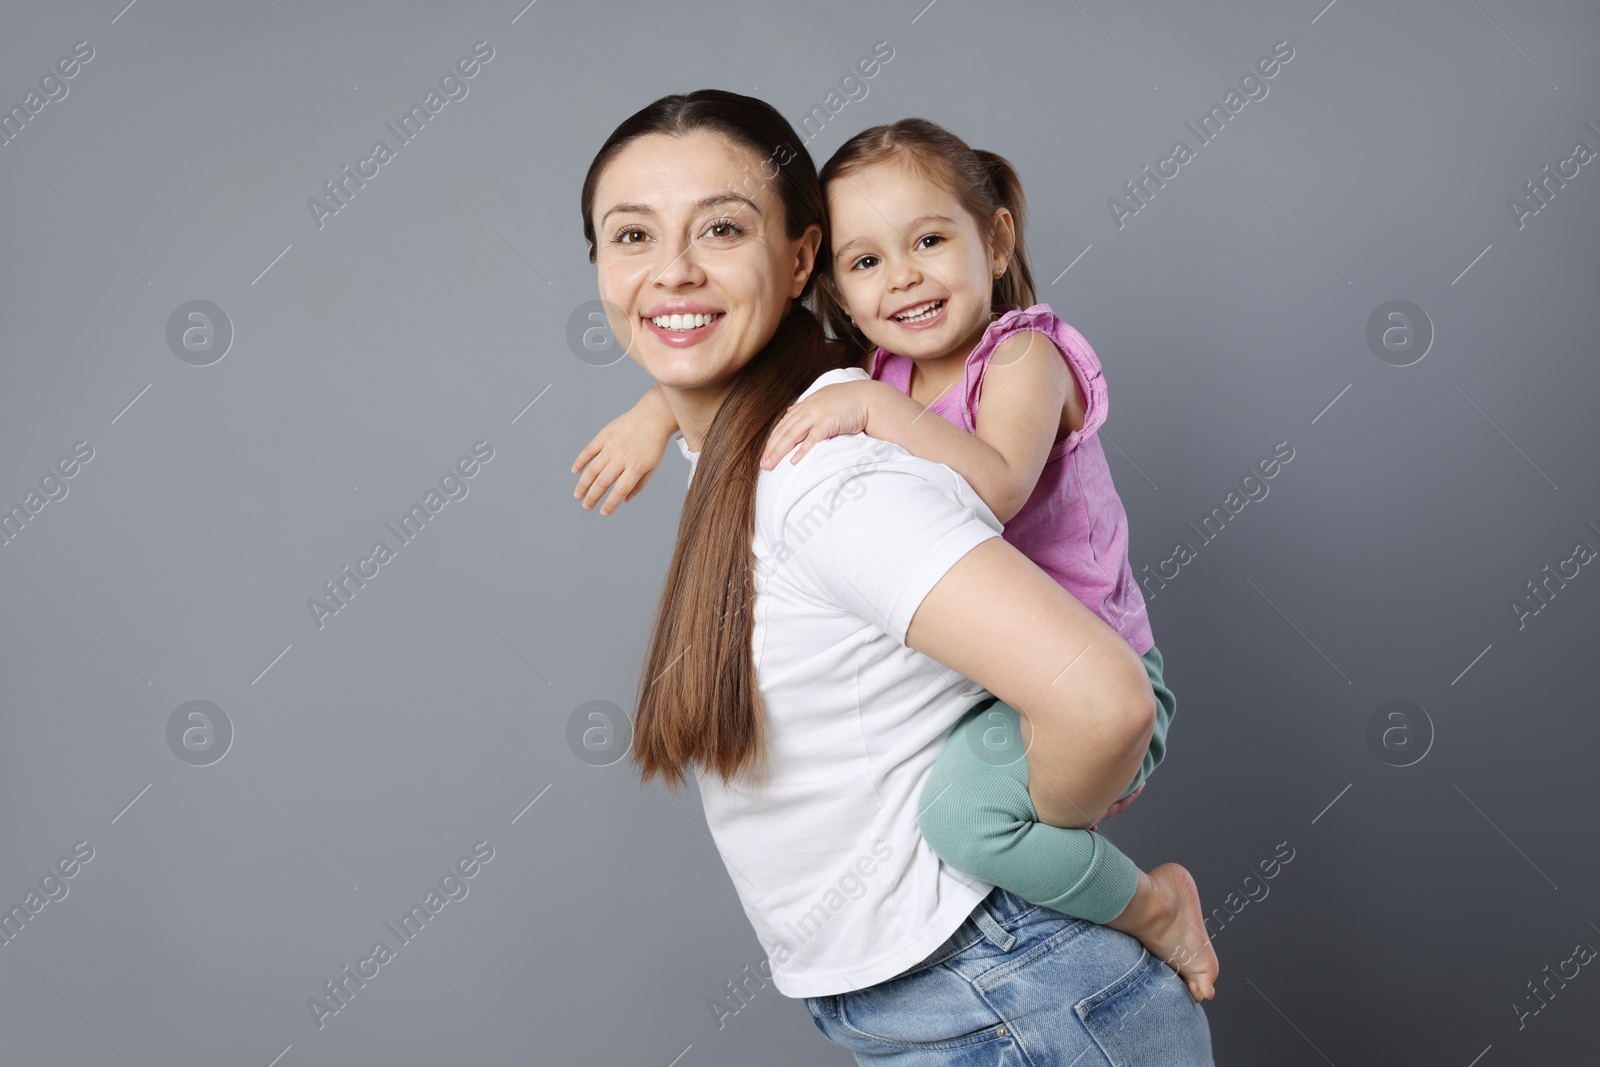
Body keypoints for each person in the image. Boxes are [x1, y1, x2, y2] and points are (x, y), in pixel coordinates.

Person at [574, 88, 1215, 1063]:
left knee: (975, 815)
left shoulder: (851, 450)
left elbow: (1101, 692)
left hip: (1013, 992)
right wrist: (656, 412)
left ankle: (1149, 898)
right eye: (630, 236)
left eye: (720, 227)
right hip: (958, 997)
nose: (670, 268)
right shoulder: (835, 401)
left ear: (796, 262)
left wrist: (1051, 835)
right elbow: (717, 334)